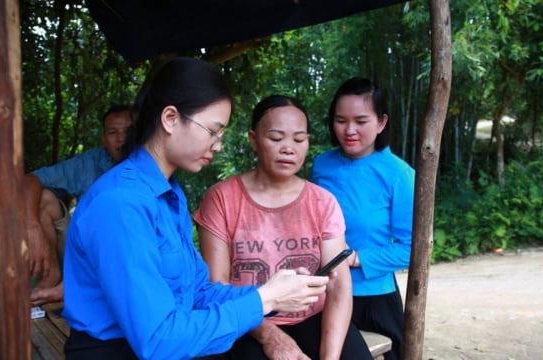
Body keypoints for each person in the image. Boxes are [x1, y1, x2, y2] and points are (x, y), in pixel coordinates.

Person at [61, 57, 329, 360]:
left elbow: (198, 291)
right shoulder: (121, 203)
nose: (217, 145)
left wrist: (272, 291)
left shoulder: (168, 194)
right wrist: (263, 301)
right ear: (171, 118)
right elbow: (158, 340)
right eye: (213, 131)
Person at [194, 94, 373, 360]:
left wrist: (330, 358)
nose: (288, 148)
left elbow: (338, 285)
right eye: (276, 138)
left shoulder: (322, 202)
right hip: (247, 322)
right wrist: (271, 337)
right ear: (254, 140)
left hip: (314, 318)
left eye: (299, 139)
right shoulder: (221, 199)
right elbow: (216, 285)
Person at [310, 77, 415, 360]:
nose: (349, 130)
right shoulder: (322, 165)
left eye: (361, 120)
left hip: (374, 298)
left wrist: (355, 258)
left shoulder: (399, 174)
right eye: (341, 120)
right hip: (323, 292)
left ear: (381, 123)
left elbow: (411, 249)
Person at [26, 104, 132, 306]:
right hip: (80, 256)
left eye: (129, 131)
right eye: (112, 132)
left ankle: (73, 288)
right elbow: (30, 180)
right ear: (103, 139)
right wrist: (31, 225)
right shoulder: (91, 162)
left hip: (120, 262)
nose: (121, 138)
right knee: (43, 197)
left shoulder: (152, 167)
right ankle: (52, 277)